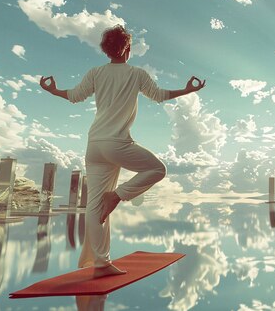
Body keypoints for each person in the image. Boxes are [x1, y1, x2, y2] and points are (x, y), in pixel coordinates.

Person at [39, 25, 205, 278]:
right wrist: (188, 90)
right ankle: (117, 196)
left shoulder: (96, 72)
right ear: (127, 48)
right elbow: (159, 95)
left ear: (107, 51)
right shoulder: (136, 73)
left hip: (94, 145)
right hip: (117, 143)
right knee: (157, 169)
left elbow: (73, 96)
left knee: (94, 206)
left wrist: (51, 90)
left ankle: (102, 264)